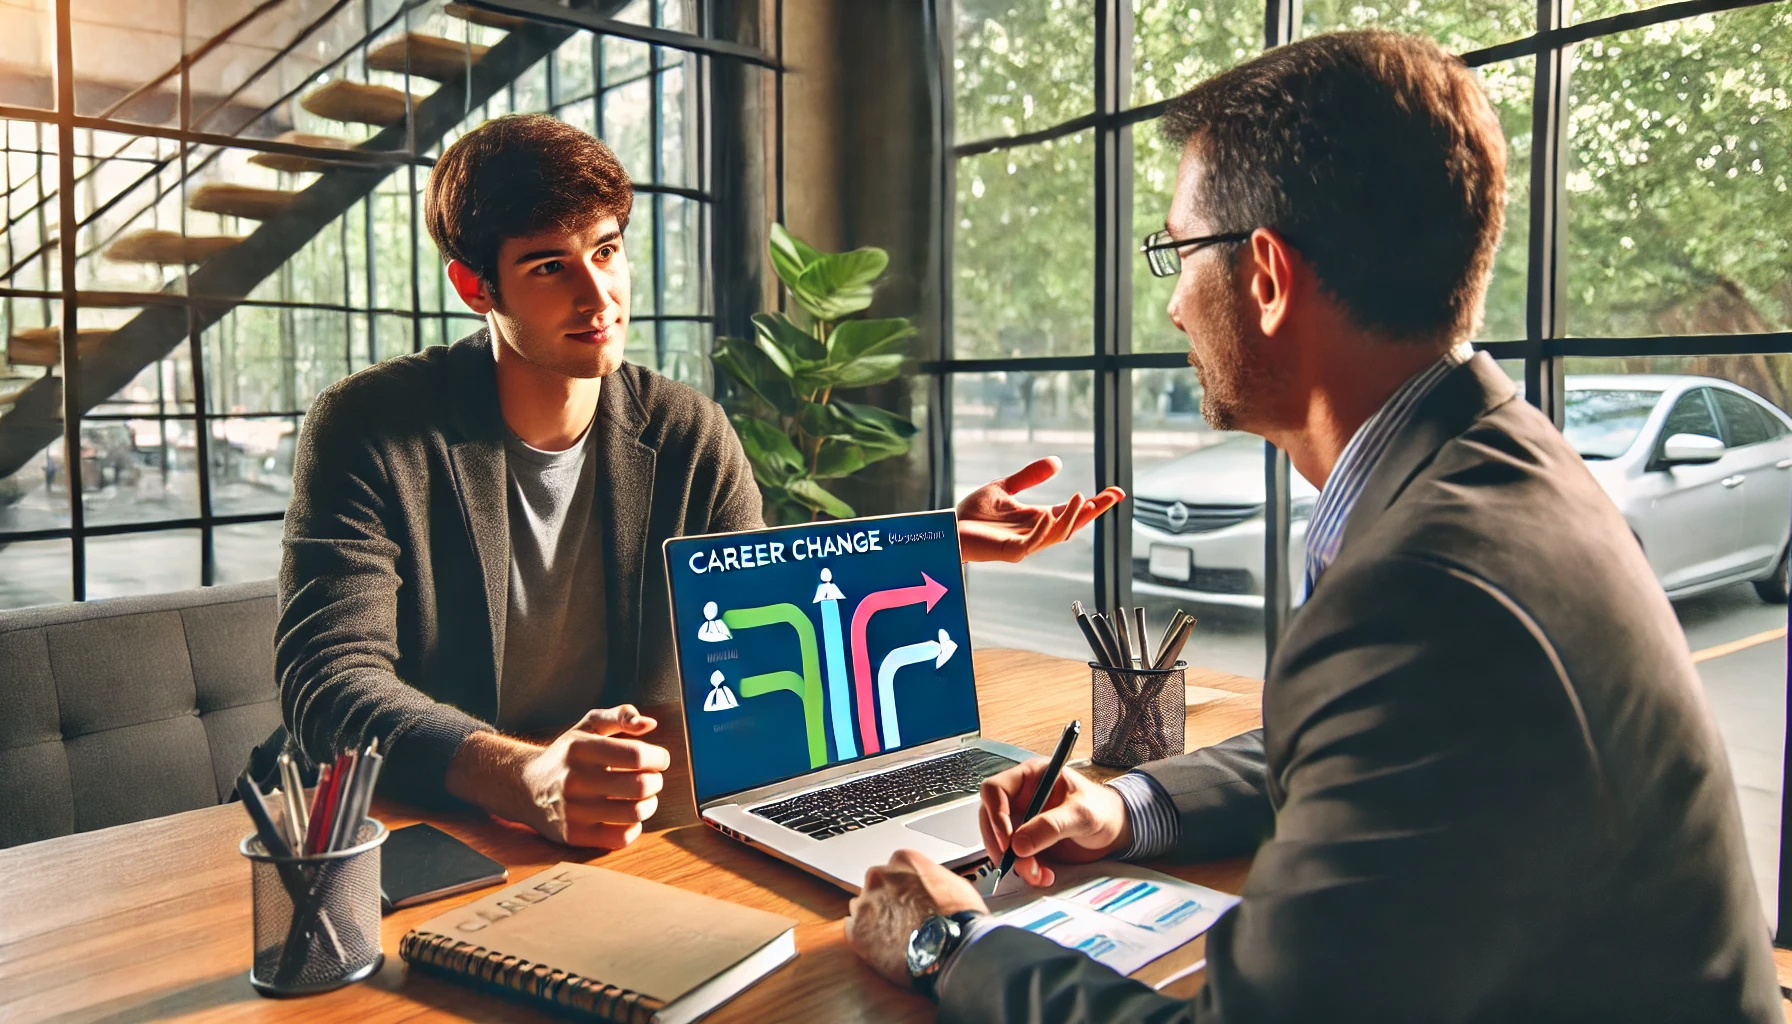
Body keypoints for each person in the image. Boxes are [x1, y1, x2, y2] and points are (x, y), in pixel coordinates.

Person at [844, 30, 1780, 1021]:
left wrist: (949, 936)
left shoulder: (1424, 582)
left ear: (1267, 277)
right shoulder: (1503, 470)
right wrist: (1126, 803)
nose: (1170, 306)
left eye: (1176, 250)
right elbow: (1367, 746)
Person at [276, 114, 1123, 851]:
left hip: (627, 825)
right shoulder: (368, 428)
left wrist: (927, 549)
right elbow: (331, 684)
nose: (597, 293)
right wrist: (523, 776)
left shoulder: (684, 430)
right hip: (420, 827)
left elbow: (757, 624)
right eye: (549, 267)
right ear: (475, 286)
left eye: (606, 251)